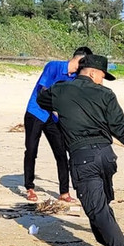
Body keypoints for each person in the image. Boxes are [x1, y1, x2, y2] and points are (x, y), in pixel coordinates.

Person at [37, 54, 124, 246]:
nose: (102, 81)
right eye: (102, 76)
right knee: (101, 205)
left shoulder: (61, 90)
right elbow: (121, 126)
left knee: (97, 208)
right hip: (106, 156)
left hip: (84, 158)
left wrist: (60, 102)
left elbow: (41, 98)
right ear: (93, 72)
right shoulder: (105, 94)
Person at [21, 46, 92, 202]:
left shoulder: (75, 78)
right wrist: (55, 107)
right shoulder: (54, 66)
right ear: (80, 60)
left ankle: (64, 192)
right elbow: (43, 91)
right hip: (36, 112)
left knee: (61, 152)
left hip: (53, 119)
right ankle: (29, 187)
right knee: (31, 150)